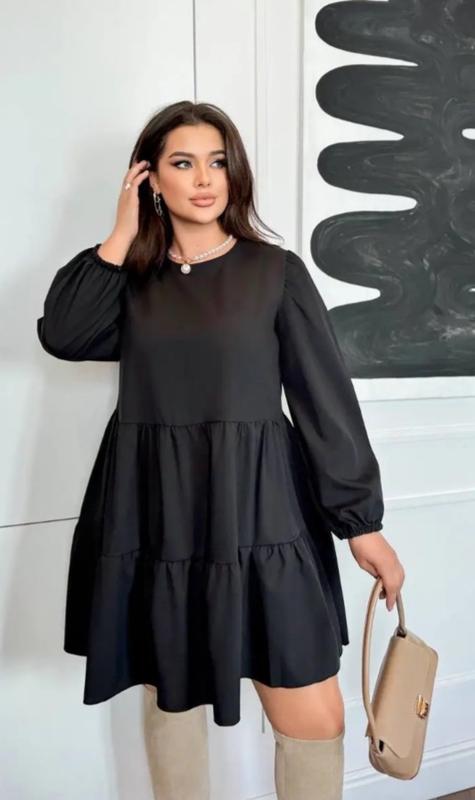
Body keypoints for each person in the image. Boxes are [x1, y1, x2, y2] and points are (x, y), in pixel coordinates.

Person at [36, 100, 405, 800]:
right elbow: (63, 333)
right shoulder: (131, 282)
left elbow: (324, 402)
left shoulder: (274, 272)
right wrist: (121, 233)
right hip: (157, 509)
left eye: (217, 162)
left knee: (313, 709)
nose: (204, 179)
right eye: (183, 163)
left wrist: (362, 524)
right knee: (169, 694)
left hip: (262, 506)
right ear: (149, 178)